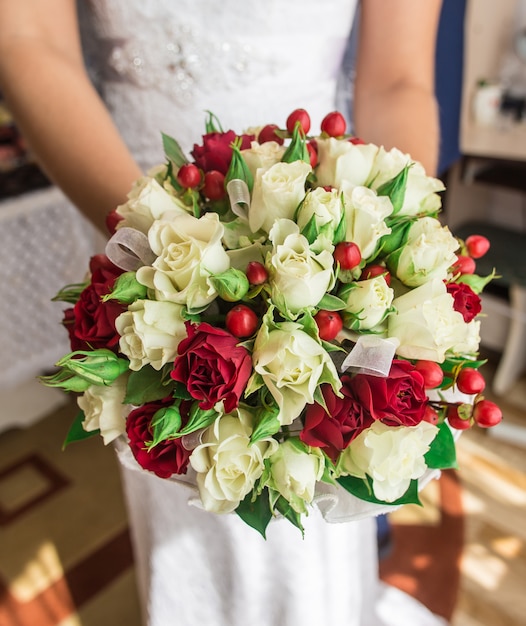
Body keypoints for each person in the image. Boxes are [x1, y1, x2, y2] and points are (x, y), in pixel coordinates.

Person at [0, 2, 447, 625]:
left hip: (324, 238)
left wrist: (388, 245)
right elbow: (25, 38)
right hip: (136, 224)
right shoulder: (145, 247)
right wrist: (153, 248)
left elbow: (395, 79)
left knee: (315, 492)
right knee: (184, 486)